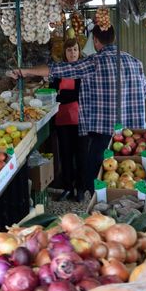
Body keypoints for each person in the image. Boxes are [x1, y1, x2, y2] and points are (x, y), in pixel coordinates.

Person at [11, 25, 146, 199]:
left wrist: (26, 71)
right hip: (134, 136)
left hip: (103, 135)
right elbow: (145, 91)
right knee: (132, 178)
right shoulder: (135, 62)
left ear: (96, 41)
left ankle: (99, 211)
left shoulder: (95, 62)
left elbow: (58, 69)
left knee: (99, 178)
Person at [49, 38, 83, 201]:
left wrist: (61, 96)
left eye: (75, 49)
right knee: (65, 154)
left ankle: (80, 189)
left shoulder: (83, 70)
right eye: (69, 50)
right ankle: (68, 187)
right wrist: (61, 96)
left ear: (79, 51)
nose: (72, 53)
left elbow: (78, 94)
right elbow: (51, 92)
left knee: (80, 154)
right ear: (65, 53)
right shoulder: (59, 70)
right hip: (62, 119)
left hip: (79, 118)